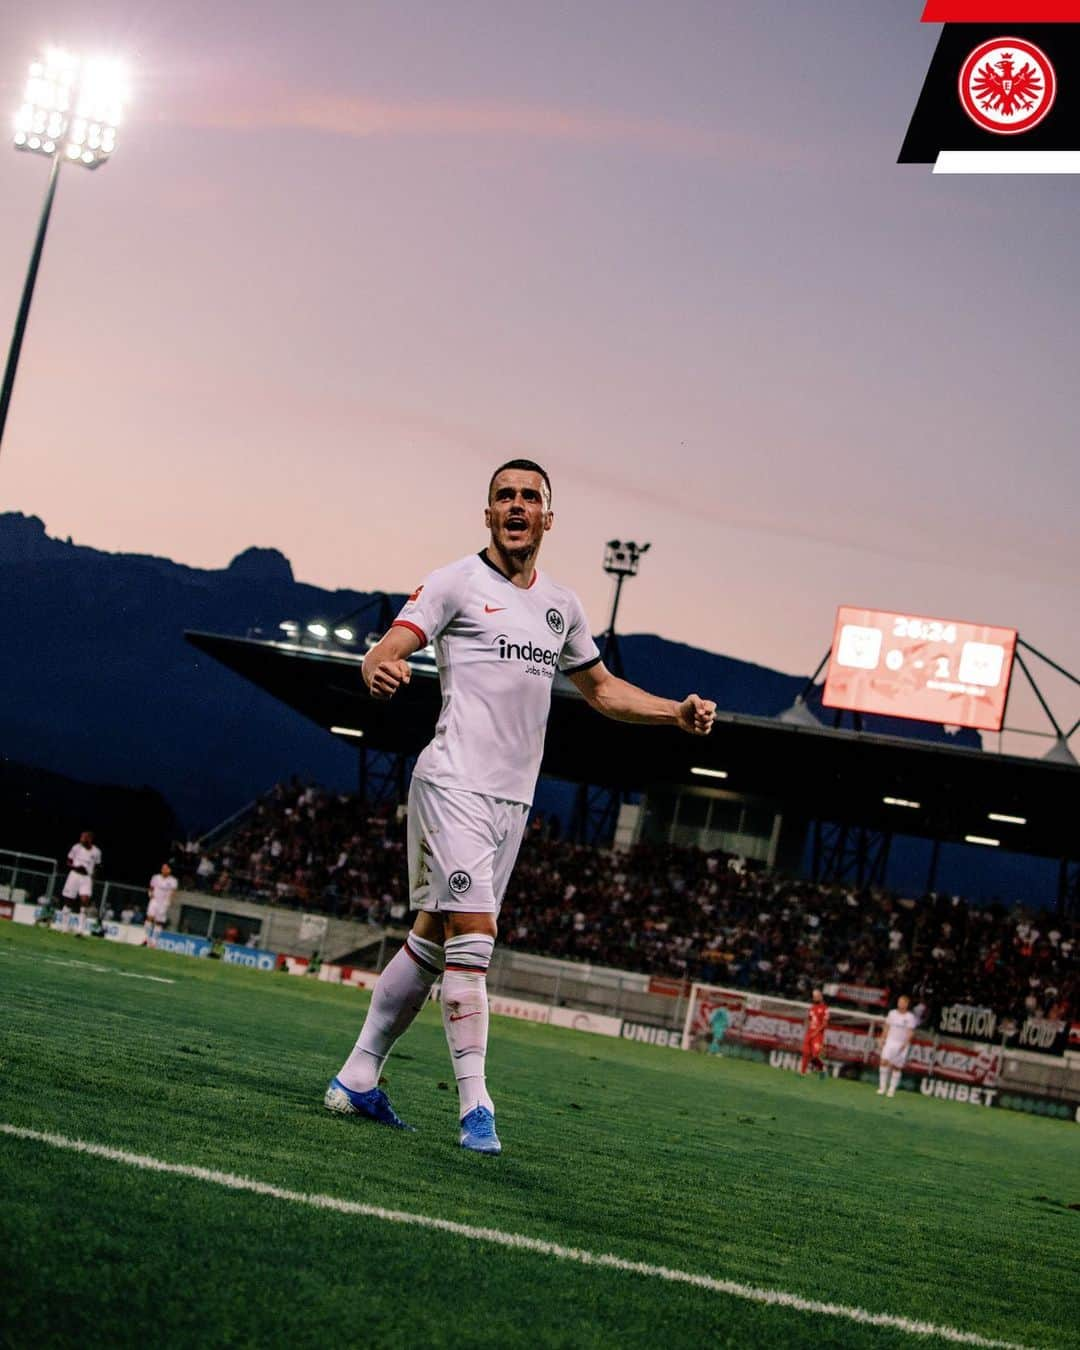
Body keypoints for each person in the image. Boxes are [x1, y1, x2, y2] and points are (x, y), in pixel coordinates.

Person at [325, 459, 716, 1154]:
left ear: (547, 518)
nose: (516, 505)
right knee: (473, 946)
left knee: (433, 940)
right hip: (453, 786)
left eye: (529, 497)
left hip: (511, 802)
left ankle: (358, 1076)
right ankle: (477, 1106)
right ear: (487, 514)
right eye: (503, 495)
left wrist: (673, 713)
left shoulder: (561, 605)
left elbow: (600, 690)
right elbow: (391, 644)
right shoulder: (455, 582)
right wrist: (375, 665)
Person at [61, 831, 102, 934]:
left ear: (90, 839)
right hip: (74, 875)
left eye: (84, 837)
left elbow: (97, 867)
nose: (81, 839)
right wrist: (76, 867)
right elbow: (68, 861)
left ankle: (80, 929)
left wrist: (93, 880)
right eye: (81, 837)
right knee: (68, 900)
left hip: (86, 878)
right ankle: (64, 926)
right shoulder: (76, 847)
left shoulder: (96, 852)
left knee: (85, 900)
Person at [877, 993, 917, 1097]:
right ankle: (882, 1087)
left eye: (902, 1002)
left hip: (901, 1044)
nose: (900, 1004)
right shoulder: (892, 1013)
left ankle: (891, 1089)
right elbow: (886, 1027)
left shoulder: (910, 1017)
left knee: (896, 1067)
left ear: (907, 1004)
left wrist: (906, 1043)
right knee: (883, 1062)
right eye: (899, 1002)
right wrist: (882, 1038)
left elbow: (910, 1032)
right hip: (890, 1041)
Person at [145, 862, 177, 946]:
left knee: (158, 922)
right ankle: (148, 938)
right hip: (154, 900)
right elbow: (151, 887)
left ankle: (154, 941)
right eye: (162, 868)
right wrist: (150, 893)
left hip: (163, 903)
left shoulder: (173, 880)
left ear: (169, 870)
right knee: (149, 918)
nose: (163, 870)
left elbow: (173, 892)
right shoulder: (155, 877)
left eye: (165, 868)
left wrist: (168, 902)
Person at [800, 987, 829, 1076]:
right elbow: (809, 1019)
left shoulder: (825, 1008)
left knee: (814, 1056)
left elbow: (825, 1024)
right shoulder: (812, 1008)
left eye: (816, 996)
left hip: (818, 1035)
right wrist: (806, 1027)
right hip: (809, 1034)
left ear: (821, 997)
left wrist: (815, 1032)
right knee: (805, 1053)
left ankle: (823, 1068)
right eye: (814, 996)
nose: (815, 998)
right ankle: (802, 1073)